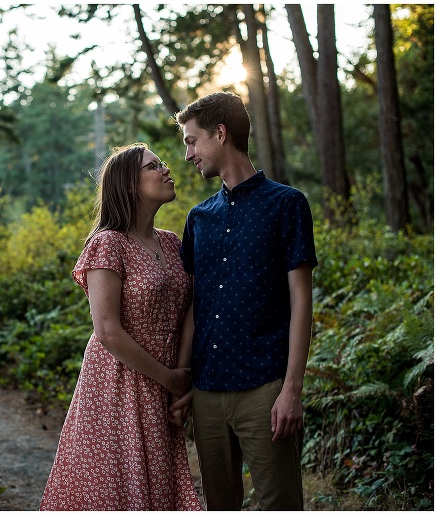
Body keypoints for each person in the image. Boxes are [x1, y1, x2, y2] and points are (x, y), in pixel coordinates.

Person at [171, 91, 318, 510]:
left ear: (220, 134)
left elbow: (301, 301)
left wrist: (291, 389)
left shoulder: (287, 204)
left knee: (278, 503)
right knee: (219, 505)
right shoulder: (198, 218)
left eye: (191, 140)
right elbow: (194, 307)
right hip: (207, 391)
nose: (188, 154)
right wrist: (184, 380)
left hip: (265, 389)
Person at [39, 143, 202, 511]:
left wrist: (180, 378)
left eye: (162, 163)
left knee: (157, 486)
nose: (165, 169)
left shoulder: (172, 242)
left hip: (164, 380)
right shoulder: (108, 244)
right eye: (152, 166)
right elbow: (107, 331)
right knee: (114, 488)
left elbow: (191, 308)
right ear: (129, 185)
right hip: (119, 381)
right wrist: (168, 377)